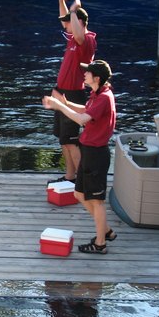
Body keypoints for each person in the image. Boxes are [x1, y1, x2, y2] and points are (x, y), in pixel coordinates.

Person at [42, 60, 117, 254]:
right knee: (79, 194)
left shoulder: (104, 98)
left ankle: (100, 243)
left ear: (97, 78)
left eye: (88, 73)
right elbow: (85, 110)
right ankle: (106, 230)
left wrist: (59, 105)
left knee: (96, 200)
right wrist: (66, 103)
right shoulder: (97, 94)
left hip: (96, 154)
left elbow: (82, 119)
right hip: (89, 152)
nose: (84, 75)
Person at [49, 0, 97, 184]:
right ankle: (70, 176)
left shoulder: (86, 41)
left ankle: (82, 180)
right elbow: (64, 19)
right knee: (63, 139)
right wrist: (62, 2)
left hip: (73, 95)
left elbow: (78, 32)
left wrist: (75, 9)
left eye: (71, 21)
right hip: (61, 92)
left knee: (70, 141)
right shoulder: (71, 38)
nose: (66, 25)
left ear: (80, 23)